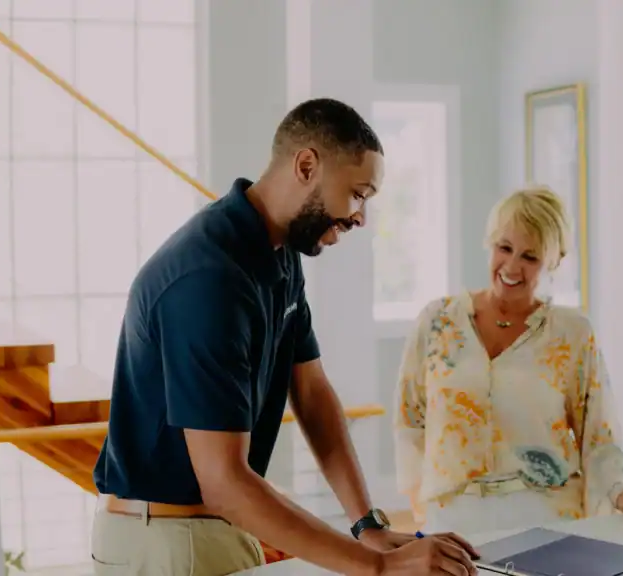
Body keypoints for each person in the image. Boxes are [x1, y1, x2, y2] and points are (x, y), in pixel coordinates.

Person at [91, 98, 478, 576]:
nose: (361, 217)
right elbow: (225, 482)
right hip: (170, 543)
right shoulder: (208, 276)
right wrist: (380, 568)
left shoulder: (278, 255)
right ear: (307, 165)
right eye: (358, 194)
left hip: (214, 532)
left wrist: (368, 527)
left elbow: (312, 394)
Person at [393, 186, 623, 536]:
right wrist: (423, 506)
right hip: (453, 521)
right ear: (489, 243)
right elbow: (409, 420)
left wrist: (619, 493)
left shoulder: (572, 333)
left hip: (546, 518)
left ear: (553, 261)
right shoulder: (437, 321)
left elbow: (600, 436)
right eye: (504, 248)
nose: (512, 266)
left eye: (530, 256)